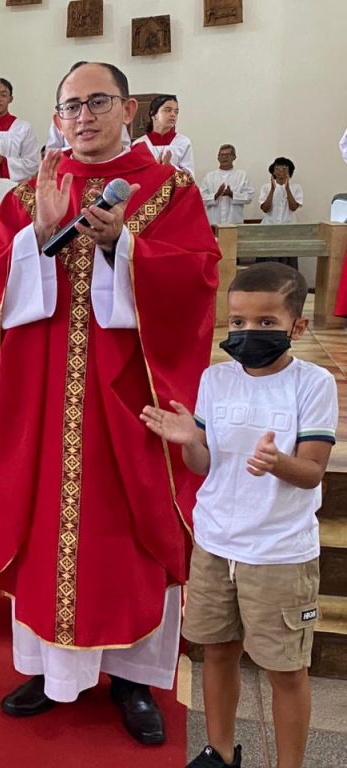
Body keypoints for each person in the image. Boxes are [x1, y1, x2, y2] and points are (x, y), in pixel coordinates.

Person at [0, 62, 221, 744]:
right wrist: (36, 238)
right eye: (70, 106)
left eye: (97, 102)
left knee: (127, 531)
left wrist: (124, 247)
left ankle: (134, 679)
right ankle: (52, 672)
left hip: (130, 398)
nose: (83, 116)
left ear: (128, 109)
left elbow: (198, 277)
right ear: (57, 118)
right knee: (45, 527)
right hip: (44, 397)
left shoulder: (170, 189)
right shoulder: (30, 191)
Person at [142, 263, 336, 768]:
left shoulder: (312, 383)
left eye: (266, 322)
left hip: (278, 550)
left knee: (284, 669)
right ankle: (220, 752)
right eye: (238, 322)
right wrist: (189, 442)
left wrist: (277, 463)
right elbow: (204, 463)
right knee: (217, 650)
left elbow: (312, 472)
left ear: (297, 326)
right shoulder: (216, 379)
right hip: (215, 542)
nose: (249, 332)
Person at [134, 94, 195, 176]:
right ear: (153, 114)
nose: (173, 114)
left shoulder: (183, 142)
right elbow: (133, 176)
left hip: (173, 184)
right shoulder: (139, 144)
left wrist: (169, 167)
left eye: (176, 112)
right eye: (168, 110)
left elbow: (189, 179)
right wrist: (154, 168)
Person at [199, 144, 253, 226]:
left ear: (234, 157)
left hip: (234, 223)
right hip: (213, 223)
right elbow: (200, 199)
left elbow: (249, 197)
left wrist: (232, 194)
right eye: (222, 155)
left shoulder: (242, 175)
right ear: (218, 158)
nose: (224, 157)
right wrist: (216, 195)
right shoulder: (209, 177)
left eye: (227, 155)